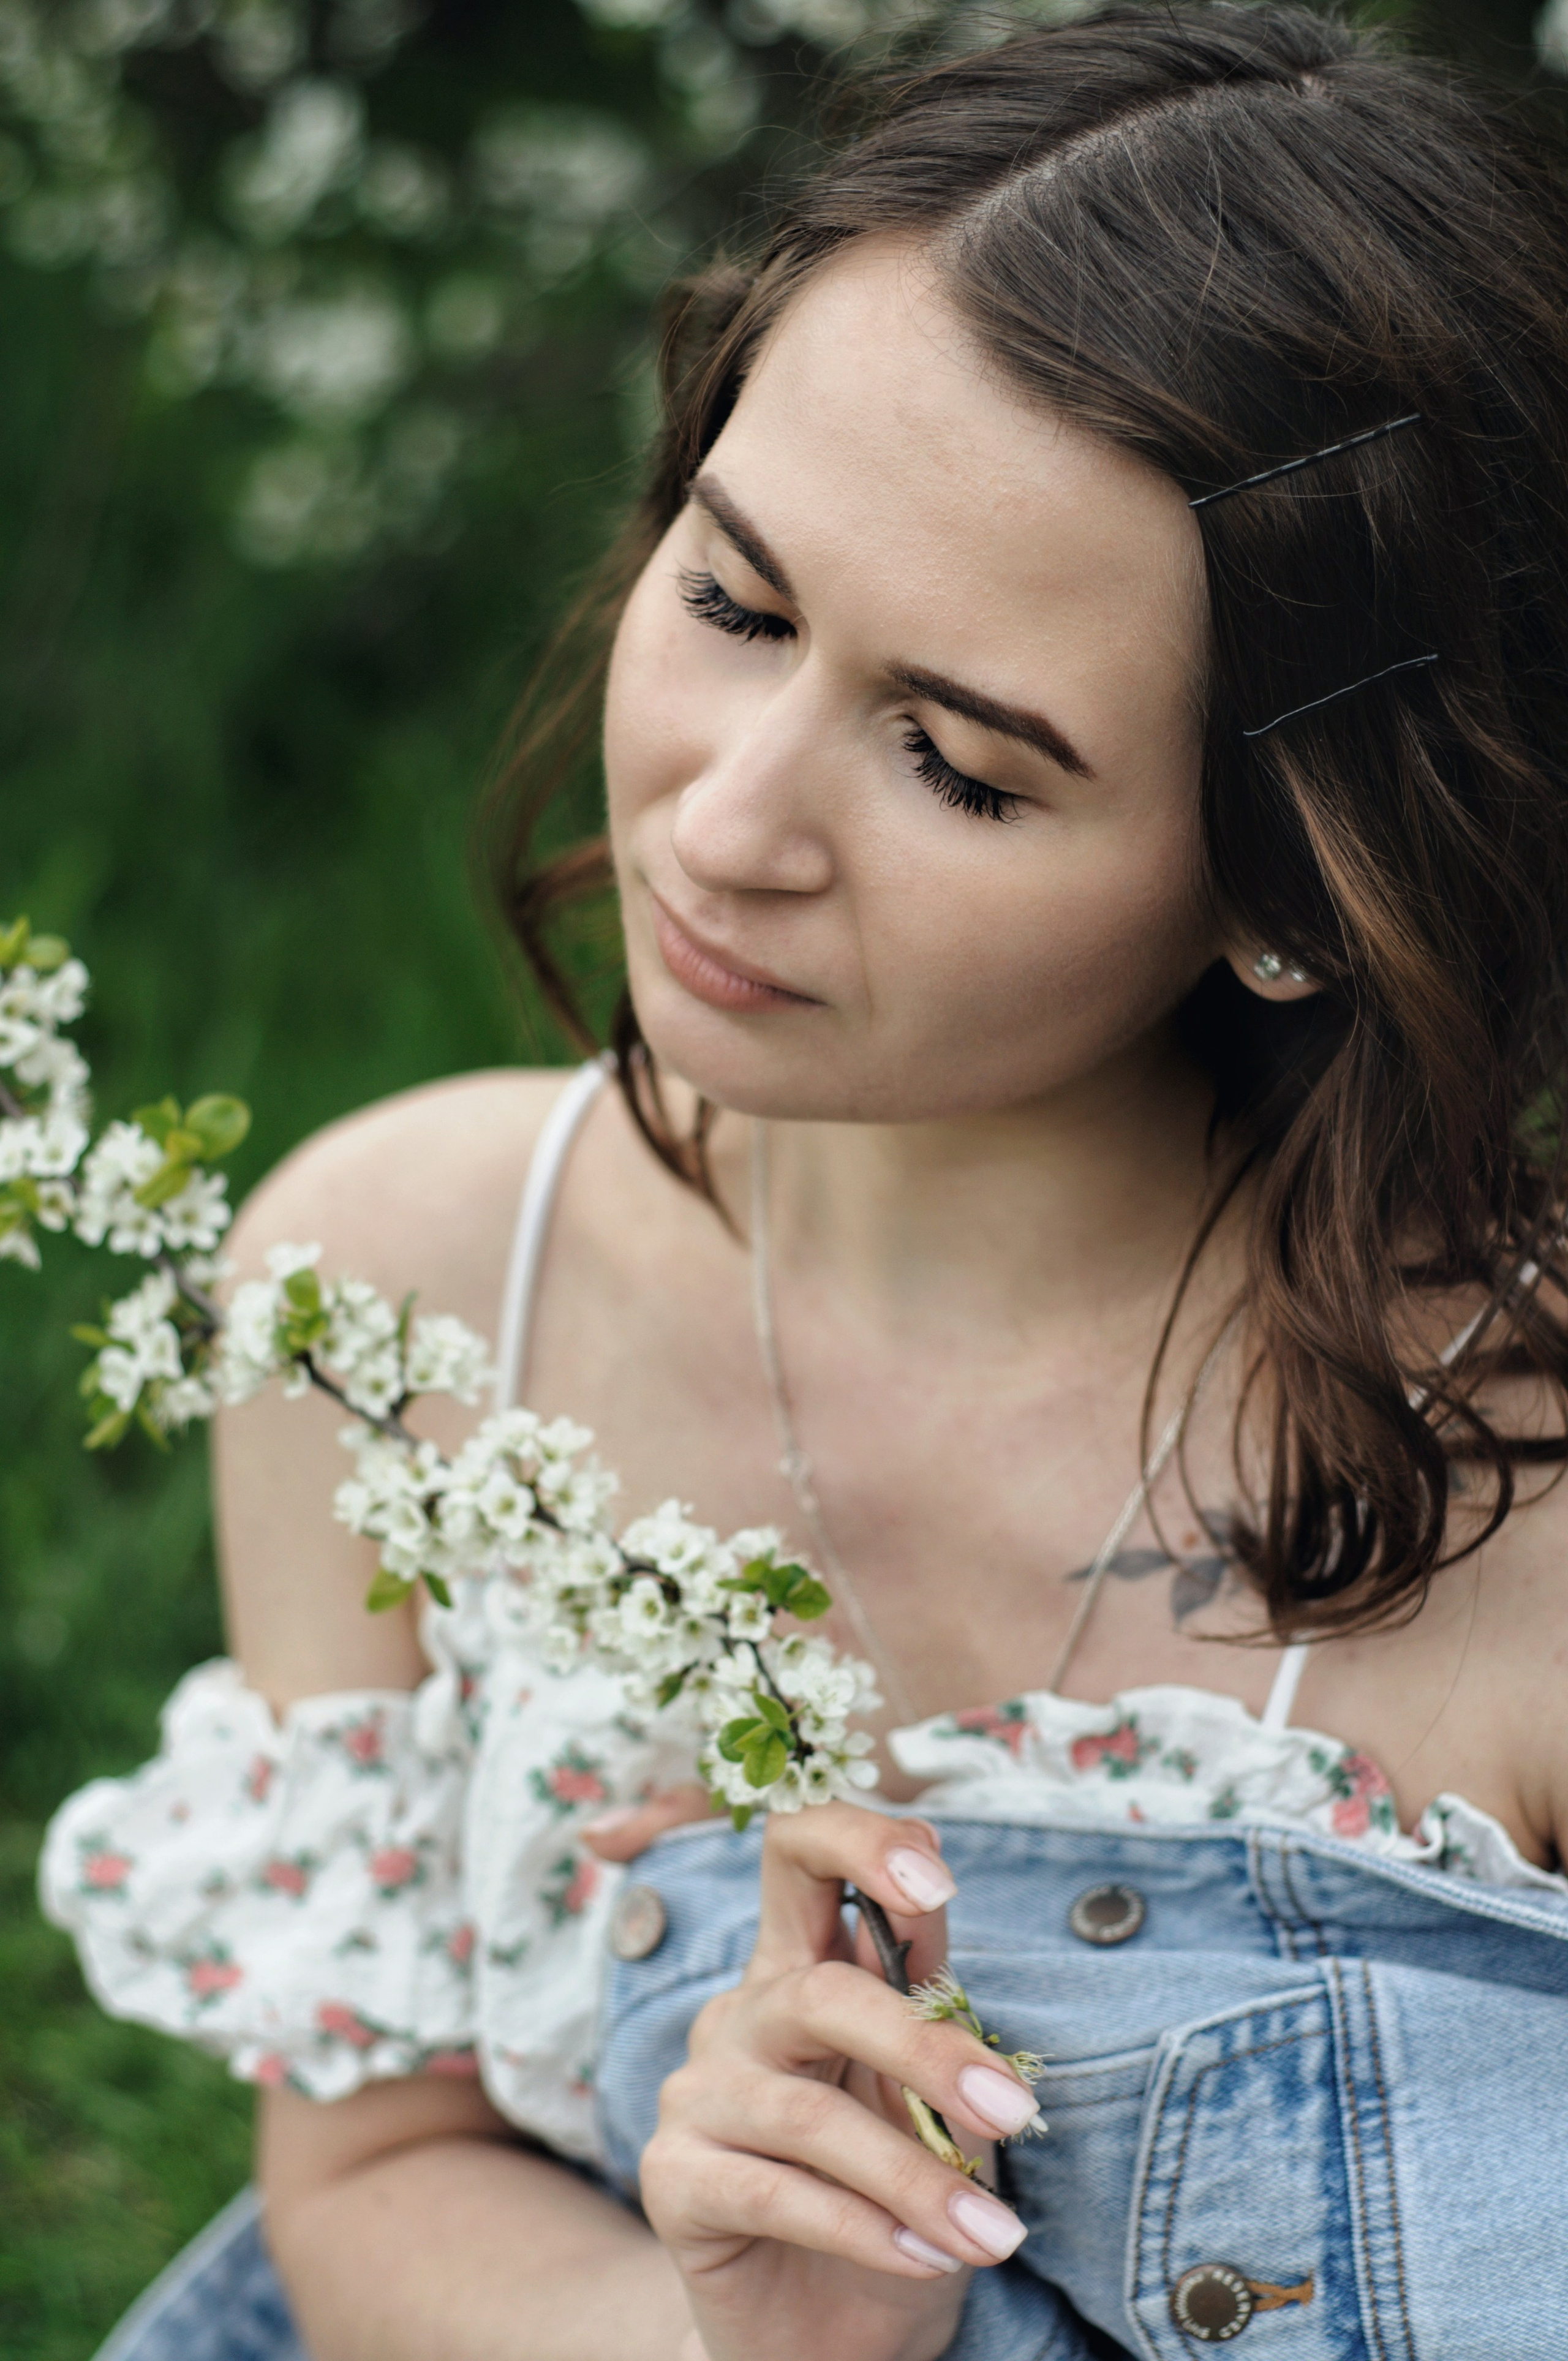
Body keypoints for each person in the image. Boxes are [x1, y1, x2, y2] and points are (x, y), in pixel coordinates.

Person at [42, 5, 1568, 2355]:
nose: (728, 821)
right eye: (736, 605)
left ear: (1298, 881)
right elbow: (373, 2176)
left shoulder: (1521, 1501)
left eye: (957, 764)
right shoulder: (402, 1287)